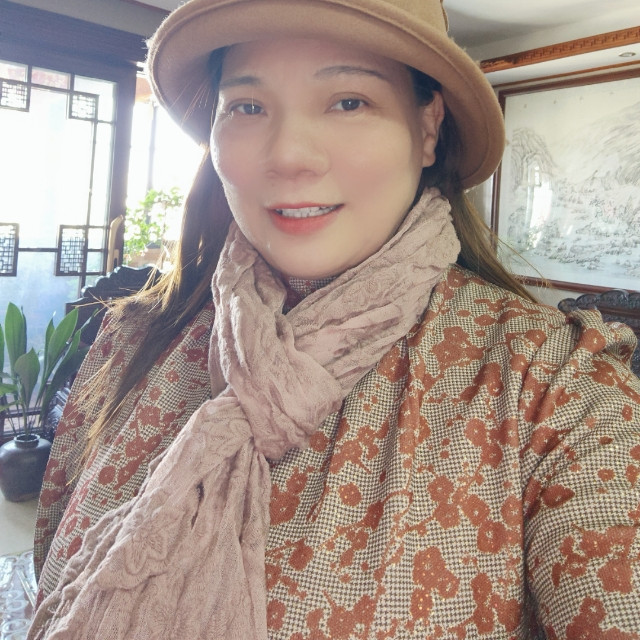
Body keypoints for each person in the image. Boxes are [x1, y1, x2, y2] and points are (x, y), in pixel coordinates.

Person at [29, 0, 640, 637]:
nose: (289, 155)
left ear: (427, 128)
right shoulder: (132, 342)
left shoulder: (553, 388)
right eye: (247, 107)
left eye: (349, 101)